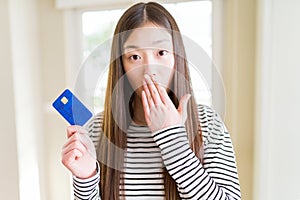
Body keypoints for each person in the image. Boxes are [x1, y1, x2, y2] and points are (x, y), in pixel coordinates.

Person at [61, 2, 241, 200]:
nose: (149, 70)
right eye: (135, 57)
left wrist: (173, 140)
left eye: (161, 53)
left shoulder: (208, 124)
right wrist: (86, 178)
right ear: (121, 65)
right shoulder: (97, 129)